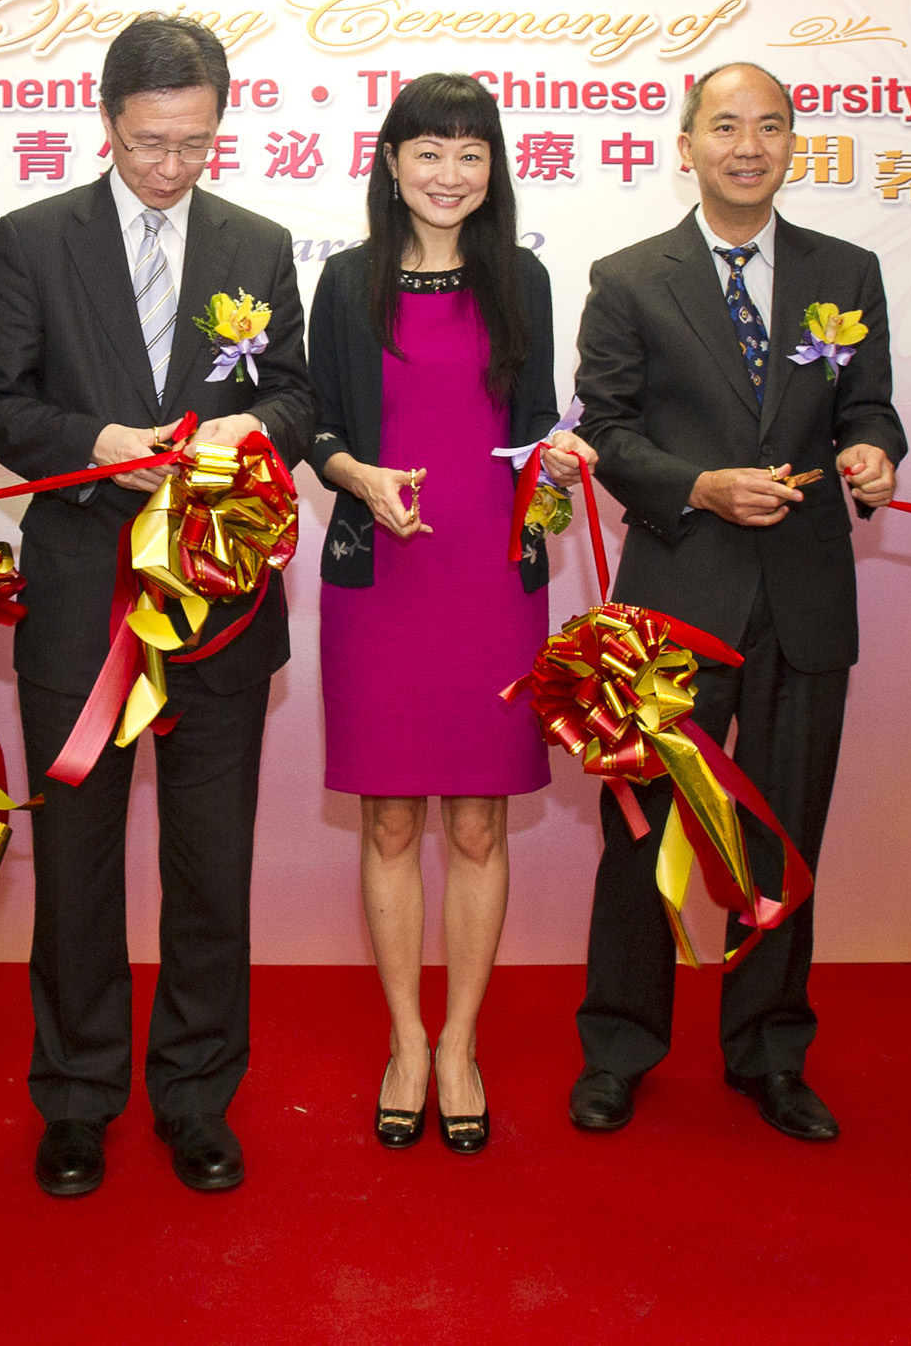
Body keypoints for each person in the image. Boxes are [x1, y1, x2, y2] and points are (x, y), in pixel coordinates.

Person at [0, 14, 316, 1197]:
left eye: (196, 142)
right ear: (107, 119)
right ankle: (76, 1096)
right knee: (77, 861)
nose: (171, 166)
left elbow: (301, 396)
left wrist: (254, 429)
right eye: (151, 139)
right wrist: (96, 442)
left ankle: (198, 1096)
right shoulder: (31, 243)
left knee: (212, 868)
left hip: (216, 594)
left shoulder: (258, 245)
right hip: (80, 595)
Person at [569, 62, 903, 1142]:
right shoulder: (628, 277)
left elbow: (874, 406)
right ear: (686, 143)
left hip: (805, 597)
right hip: (678, 592)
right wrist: (698, 486)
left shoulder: (844, 270)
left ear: (794, 143)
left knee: (786, 829)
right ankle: (619, 1045)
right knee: (644, 830)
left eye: (769, 125)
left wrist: (869, 449)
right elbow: (608, 433)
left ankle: (769, 1051)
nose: (747, 144)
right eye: (725, 125)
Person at [307, 73, 592, 1155]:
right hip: (382, 572)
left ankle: (462, 1040)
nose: (449, 174)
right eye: (428, 152)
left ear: (494, 168)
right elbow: (317, 428)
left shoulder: (521, 276)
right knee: (388, 819)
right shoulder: (345, 282)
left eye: (471, 154)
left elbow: (531, 428)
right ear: (390, 162)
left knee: (476, 821)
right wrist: (357, 475)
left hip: (487, 574)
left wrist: (557, 465)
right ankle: (406, 1041)